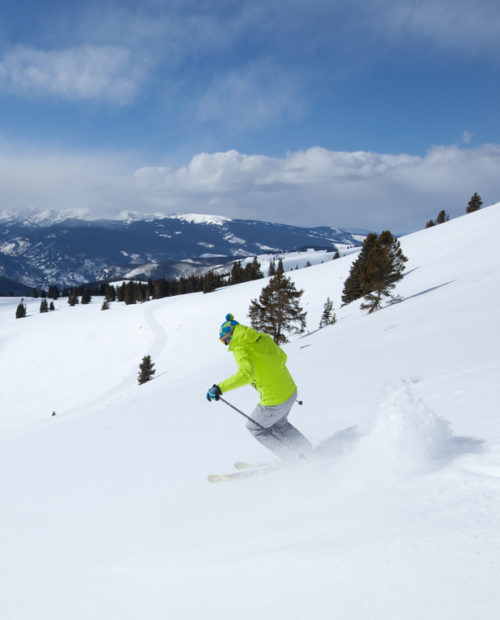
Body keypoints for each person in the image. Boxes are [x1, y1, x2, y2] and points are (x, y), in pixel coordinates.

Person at [207, 313, 312, 460]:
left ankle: (290, 456)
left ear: (230, 336)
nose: (226, 344)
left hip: (274, 400)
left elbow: (245, 375)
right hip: (290, 390)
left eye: (225, 341)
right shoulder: (263, 337)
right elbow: (283, 357)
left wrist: (219, 388)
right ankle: (307, 450)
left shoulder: (240, 349)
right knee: (279, 424)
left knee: (255, 427)